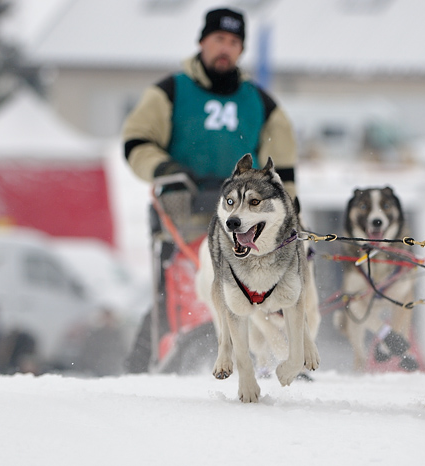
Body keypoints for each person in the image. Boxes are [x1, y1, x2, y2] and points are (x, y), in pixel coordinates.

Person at [121, 7, 299, 373]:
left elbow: (282, 169)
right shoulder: (170, 92)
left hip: (244, 214)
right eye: (219, 39)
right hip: (182, 206)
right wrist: (164, 169)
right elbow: (137, 141)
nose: (225, 48)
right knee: (173, 289)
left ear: (241, 50)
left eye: (234, 42)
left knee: (257, 280)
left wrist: (290, 212)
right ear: (202, 41)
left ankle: (272, 353)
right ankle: (142, 365)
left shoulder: (261, 104)